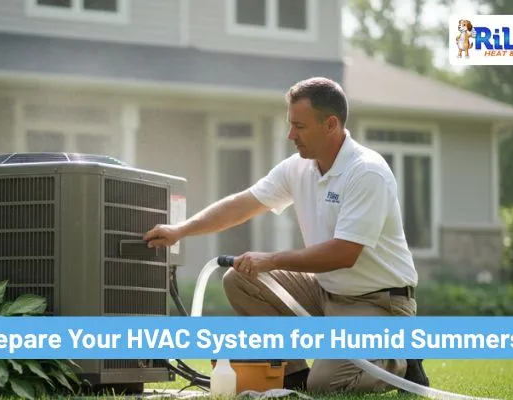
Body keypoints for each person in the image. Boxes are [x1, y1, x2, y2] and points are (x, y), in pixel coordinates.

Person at [143, 77, 429, 395]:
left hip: (379, 302)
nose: (291, 135)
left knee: (327, 384)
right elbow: (242, 205)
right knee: (239, 280)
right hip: (325, 292)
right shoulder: (299, 168)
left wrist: (272, 259)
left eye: (300, 126)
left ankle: (400, 358)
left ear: (331, 124)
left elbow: (344, 253)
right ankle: (292, 376)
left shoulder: (366, 172)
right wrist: (180, 230)